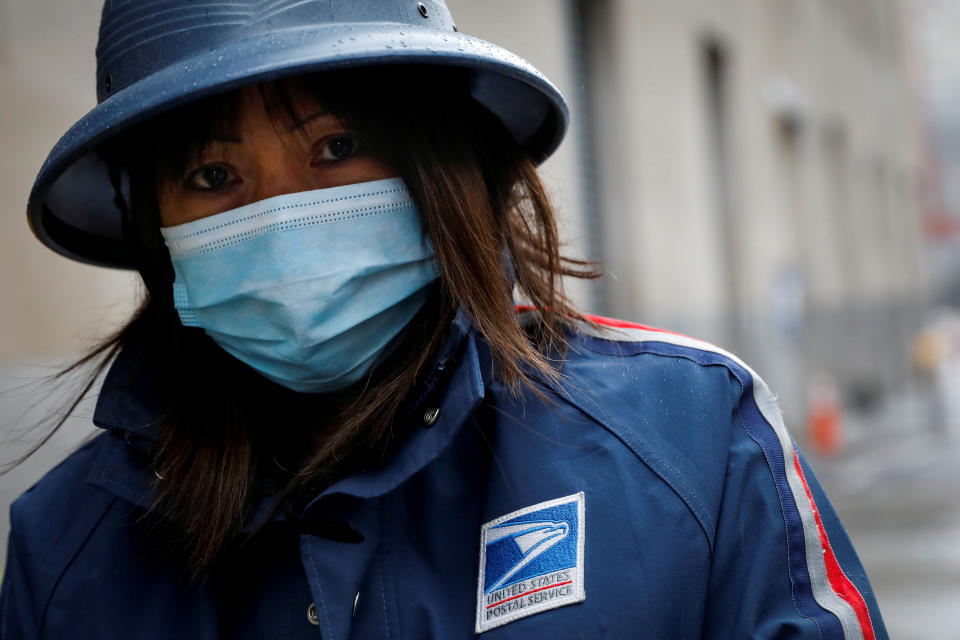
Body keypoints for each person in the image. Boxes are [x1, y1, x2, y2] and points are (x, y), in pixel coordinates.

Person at [1, 1, 887, 638]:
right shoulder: (67, 547)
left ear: (440, 169)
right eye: (210, 178)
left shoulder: (690, 438)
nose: (278, 215)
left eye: (336, 148)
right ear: (157, 232)